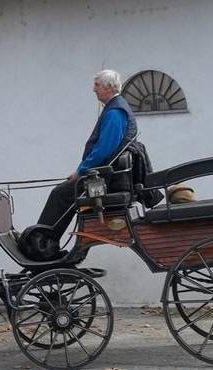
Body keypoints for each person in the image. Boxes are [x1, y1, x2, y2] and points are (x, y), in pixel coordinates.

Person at [30, 69, 138, 250]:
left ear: (109, 87)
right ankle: (47, 241)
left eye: (97, 85)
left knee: (60, 194)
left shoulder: (114, 112)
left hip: (105, 178)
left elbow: (105, 149)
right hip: (105, 175)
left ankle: (41, 244)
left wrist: (81, 170)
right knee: (64, 193)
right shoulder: (115, 108)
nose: (93, 90)